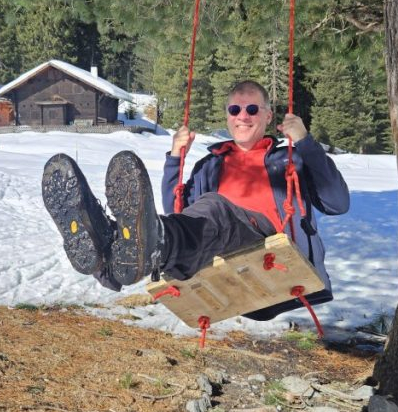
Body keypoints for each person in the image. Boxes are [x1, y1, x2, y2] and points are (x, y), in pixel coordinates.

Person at [42, 80, 350, 320]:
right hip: (219, 258)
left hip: (273, 254)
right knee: (179, 225)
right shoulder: (211, 164)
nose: (243, 116)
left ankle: (139, 253)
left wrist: (306, 143)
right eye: (235, 110)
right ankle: (106, 249)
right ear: (228, 117)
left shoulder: (288, 160)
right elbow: (177, 213)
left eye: (252, 110)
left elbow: (337, 202)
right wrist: (176, 158)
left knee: (214, 208)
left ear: (268, 115)